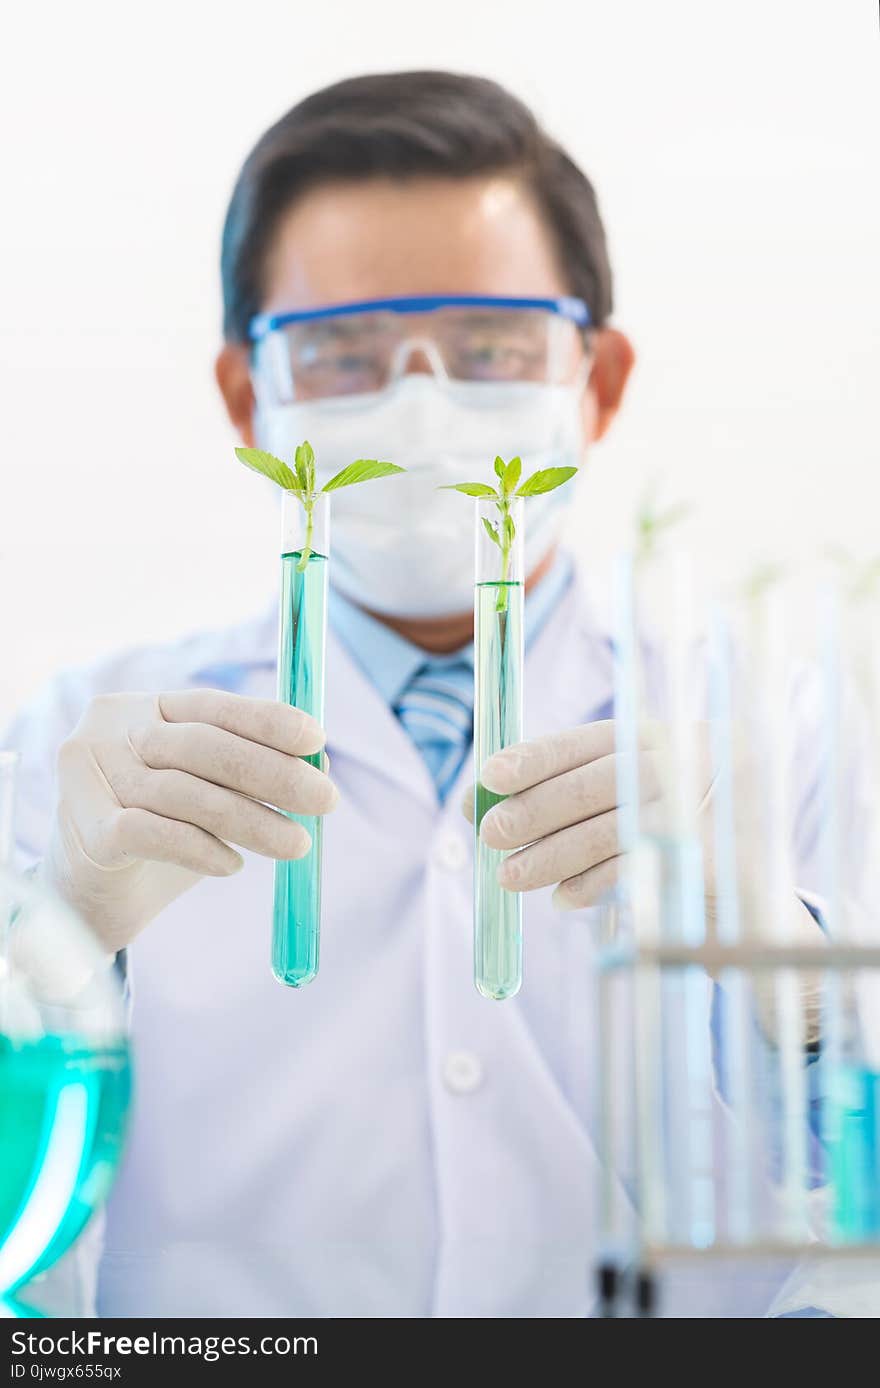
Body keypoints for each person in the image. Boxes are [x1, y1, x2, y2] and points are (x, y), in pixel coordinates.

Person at [5, 71, 833, 1318]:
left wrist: (800, 975)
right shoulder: (76, 749)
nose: (422, 403)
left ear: (596, 382)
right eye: (343, 351)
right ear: (250, 400)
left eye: (490, 345)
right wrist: (57, 952)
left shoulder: (799, 726)